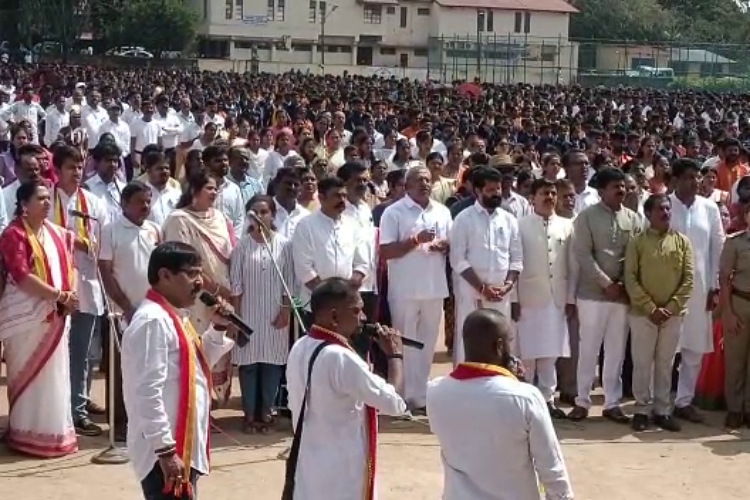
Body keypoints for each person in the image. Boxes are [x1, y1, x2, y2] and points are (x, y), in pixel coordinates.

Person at [121, 241, 235, 499]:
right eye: (191, 273)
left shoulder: (175, 316)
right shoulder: (153, 321)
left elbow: (197, 362)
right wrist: (165, 450)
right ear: (164, 275)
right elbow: (147, 391)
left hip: (181, 442)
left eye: (200, 273)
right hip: (166, 449)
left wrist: (217, 327)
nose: (199, 282)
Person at [426, 308, 574, 500]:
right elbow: (551, 469)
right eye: (509, 342)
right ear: (499, 346)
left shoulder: (435, 392)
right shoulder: (525, 397)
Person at [286, 277, 407, 499]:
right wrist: (394, 356)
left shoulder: (299, 347)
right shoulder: (341, 358)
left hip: (310, 466)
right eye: (356, 311)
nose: (363, 318)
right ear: (333, 316)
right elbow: (394, 402)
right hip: (341, 474)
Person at [0, 180, 79, 457]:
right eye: (41, 198)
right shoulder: (13, 234)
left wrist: (70, 295)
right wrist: (59, 295)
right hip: (26, 316)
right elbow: (21, 276)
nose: (48, 202)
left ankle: (55, 433)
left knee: (55, 376)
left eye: (49, 198)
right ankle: (24, 434)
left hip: (57, 312)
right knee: (28, 376)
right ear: (24, 205)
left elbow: (72, 265)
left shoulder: (56, 233)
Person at [569, 167, 643, 423]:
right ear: (602, 191)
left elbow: (635, 256)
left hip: (621, 296)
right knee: (588, 349)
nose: (621, 190)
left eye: (623, 186)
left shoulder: (634, 219)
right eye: (615, 186)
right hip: (592, 295)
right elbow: (582, 254)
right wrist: (605, 282)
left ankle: (612, 403)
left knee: (616, 351)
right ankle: (582, 401)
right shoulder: (586, 217)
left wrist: (622, 284)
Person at [380, 166, 452, 412]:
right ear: (407, 185)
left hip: (434, 288)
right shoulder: (394, 212)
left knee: (427, 344)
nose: (425, 183)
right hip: (405, 290)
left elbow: (451, 242)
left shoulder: (442, 211)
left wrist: (443, 245)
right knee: (404, 342)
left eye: (428, 179)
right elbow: (386, 251)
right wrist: (415, 240)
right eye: (419, 179)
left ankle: (420, 396)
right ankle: (402, 396)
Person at [162, 171, 236, 405]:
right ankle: (194, 401)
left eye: (216, 188)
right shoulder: (179, 220)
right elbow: (183, 261)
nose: (214, 192)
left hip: (222, 293)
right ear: (194, 191)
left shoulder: (222, 219)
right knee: (195, 344)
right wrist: (213, 289)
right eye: (209, 188)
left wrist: (227, 291)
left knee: (217, 342)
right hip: (192, 296)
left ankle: (208, 404)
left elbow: (232, 254)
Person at [624, 193, 694, 432]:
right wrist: (650, 308)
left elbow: (689, 279)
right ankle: (642, 409)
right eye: (660, 209)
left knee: (666, 363)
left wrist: (671, 307)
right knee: (642, 363)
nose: (666, 213)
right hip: (643, 314)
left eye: (668, 209)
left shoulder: (683, 242)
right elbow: (630, 278)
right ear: (648, 214)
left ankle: (662, 410)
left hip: (673, 315)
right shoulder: (637, 242)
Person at [51, 144, 109, 436]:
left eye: (79, 167)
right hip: (54, 290)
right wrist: (70, 239)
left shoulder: (93, 203)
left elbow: (104, 244)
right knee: (52, 351)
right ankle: (55, 410)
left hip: (85, 285)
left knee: (83, 352)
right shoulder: (47, 201)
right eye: (70, 167)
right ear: (57, 170)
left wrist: (89, 244)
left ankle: (78, 410)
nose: (76, 172)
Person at [229, 194, 294, 433]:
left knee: (272, 365)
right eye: (254, 212)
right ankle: (249, 415)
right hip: (248, 315)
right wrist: (235, 320)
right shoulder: (241, 247)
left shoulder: (284, 245)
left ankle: (266, 412)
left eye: (264, 211)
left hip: (276, 315)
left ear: (273, 215)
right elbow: (235, 285)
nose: (259, 216)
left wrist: (287, 309)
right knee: (248, 366)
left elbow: (291, 283)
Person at [512, 178, 575, 418]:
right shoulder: (520, 225)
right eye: (544, 193)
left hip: (556, 298)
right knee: (527, 353)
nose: (549, 197)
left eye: (552, 193)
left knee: (550, 352)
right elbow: (515, 264)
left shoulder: (568, 226)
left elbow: (572, 266)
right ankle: (526, 399)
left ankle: (547, 399)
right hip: (529, 297)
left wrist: (570, 299)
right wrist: (515, 299)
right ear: (533, 198)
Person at [450, 166, 521, 364]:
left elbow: (516, 259)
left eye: (498, 189)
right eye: (490, 190)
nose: (496, 194)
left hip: (501, 294)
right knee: (471, 344)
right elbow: (457, 259)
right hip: (472, 293)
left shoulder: (509, 220)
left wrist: (507, 286)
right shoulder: (464, 219)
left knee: (500, 343)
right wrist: (481, 287)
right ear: (478, 191)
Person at [292, 176, 369, 326]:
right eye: (337, 196)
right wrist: (328, 300)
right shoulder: (306, 226)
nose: (342, 200)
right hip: (316, 306)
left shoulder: (352, 225)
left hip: (347, 307)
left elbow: (362, 264)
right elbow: (304, 269)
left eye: (344, 196)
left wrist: (347, 294)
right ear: (321, 198)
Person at [718, 201, 750, 428]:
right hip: (740, 303)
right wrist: (727, 312)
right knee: (735, 360)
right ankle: (735, 408)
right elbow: (724, 279)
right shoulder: (735, 243)